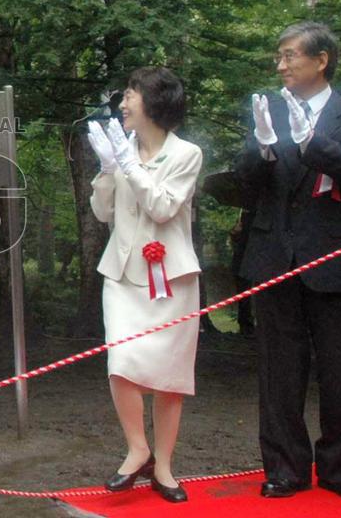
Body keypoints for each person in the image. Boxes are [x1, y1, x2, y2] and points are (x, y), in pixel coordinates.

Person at [233, 21, 341, 500]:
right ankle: (285, 467)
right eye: (278, 57)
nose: (280, 65)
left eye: (289, 55)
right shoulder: (271, 112)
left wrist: (313, 145)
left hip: (333, 257)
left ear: (321, 60)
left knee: (340, 368)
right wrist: (262, 146)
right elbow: (245, 182)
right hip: (274, 255)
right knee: (279, 369)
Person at [87, 67, 203, 504]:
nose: (122, 105)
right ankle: (138, 448)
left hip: (171, 280)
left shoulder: (186, 154)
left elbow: (161, 207)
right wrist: (106, 169)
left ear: (154, 102)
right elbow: (103, 212)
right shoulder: (122, 150)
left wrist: (130, 166)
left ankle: (165, 467)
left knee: (169, 377)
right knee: (122, 360)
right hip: (122, 275)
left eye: (131, 95)